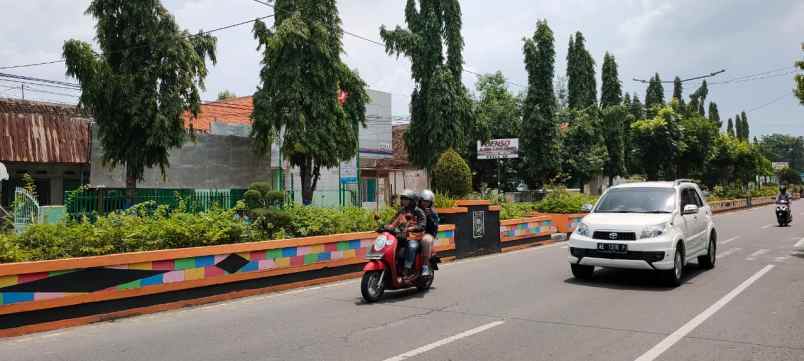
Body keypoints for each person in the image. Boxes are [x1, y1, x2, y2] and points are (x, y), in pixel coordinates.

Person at [388, 189, 426, 277]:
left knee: (411, 246)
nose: (403, 201)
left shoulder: (418, 211)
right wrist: (385, 226)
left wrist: (411, 228)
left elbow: (422, 225)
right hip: (402, 236)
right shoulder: (401, 210)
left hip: (415, 237)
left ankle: (407, 268)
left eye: (406, 199)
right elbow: (393, 221)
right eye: (403, 199)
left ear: (412, 201)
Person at [418, 189, 439, 277]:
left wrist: (429, 216)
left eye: (427, 202)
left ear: (430, 203)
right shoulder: (416, 210)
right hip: (415, 234)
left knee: (426, 241)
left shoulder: (433, 212)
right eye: (423, 201)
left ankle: (425, 266)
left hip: (428, 234)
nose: (425, 203)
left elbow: (435, 227)